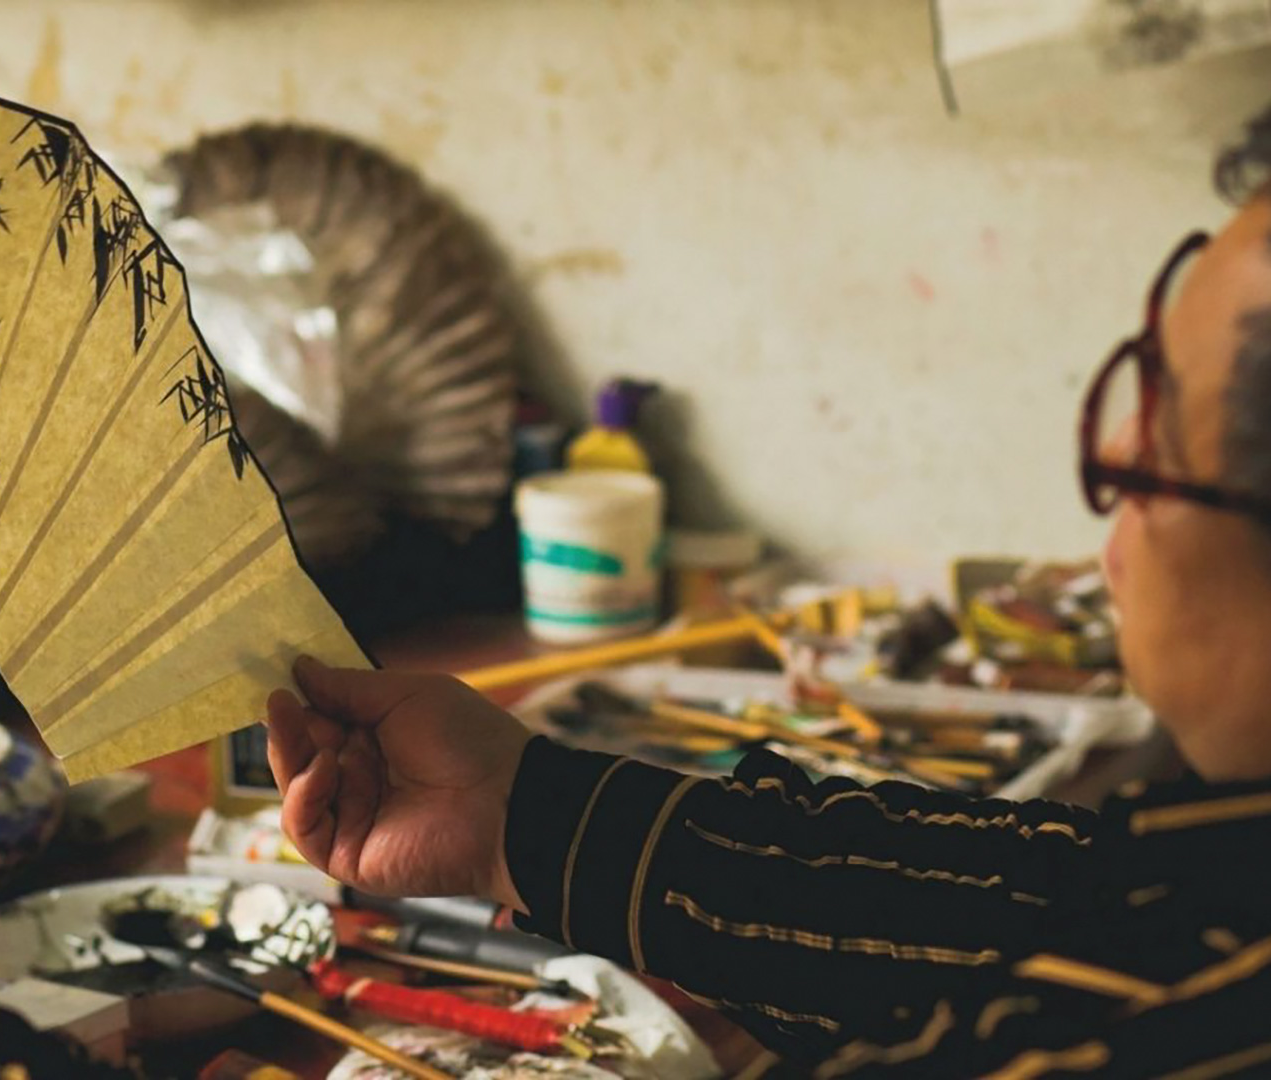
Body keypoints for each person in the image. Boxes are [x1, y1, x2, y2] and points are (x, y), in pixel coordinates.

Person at [264, 105, 1271, 1078]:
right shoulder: (1214, 888)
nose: (1112, 514)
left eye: (1156, 444)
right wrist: (517, 817)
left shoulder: (1163, 1031)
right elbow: (1050, 904)